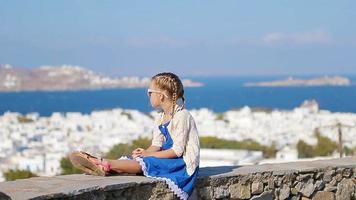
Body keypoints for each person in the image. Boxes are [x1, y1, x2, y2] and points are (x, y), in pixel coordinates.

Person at [69, 72, 200, 200]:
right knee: (135, 159)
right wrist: (145, 152)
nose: (148, 95)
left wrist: (148, 155)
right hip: (167, 157)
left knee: (148, 162)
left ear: (161, 96)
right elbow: (157, 144)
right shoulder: (160, 117)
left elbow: (177, 151)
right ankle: (106, 168)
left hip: (181, 163)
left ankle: (103, 162)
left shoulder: (182, 116)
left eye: (150, 92)